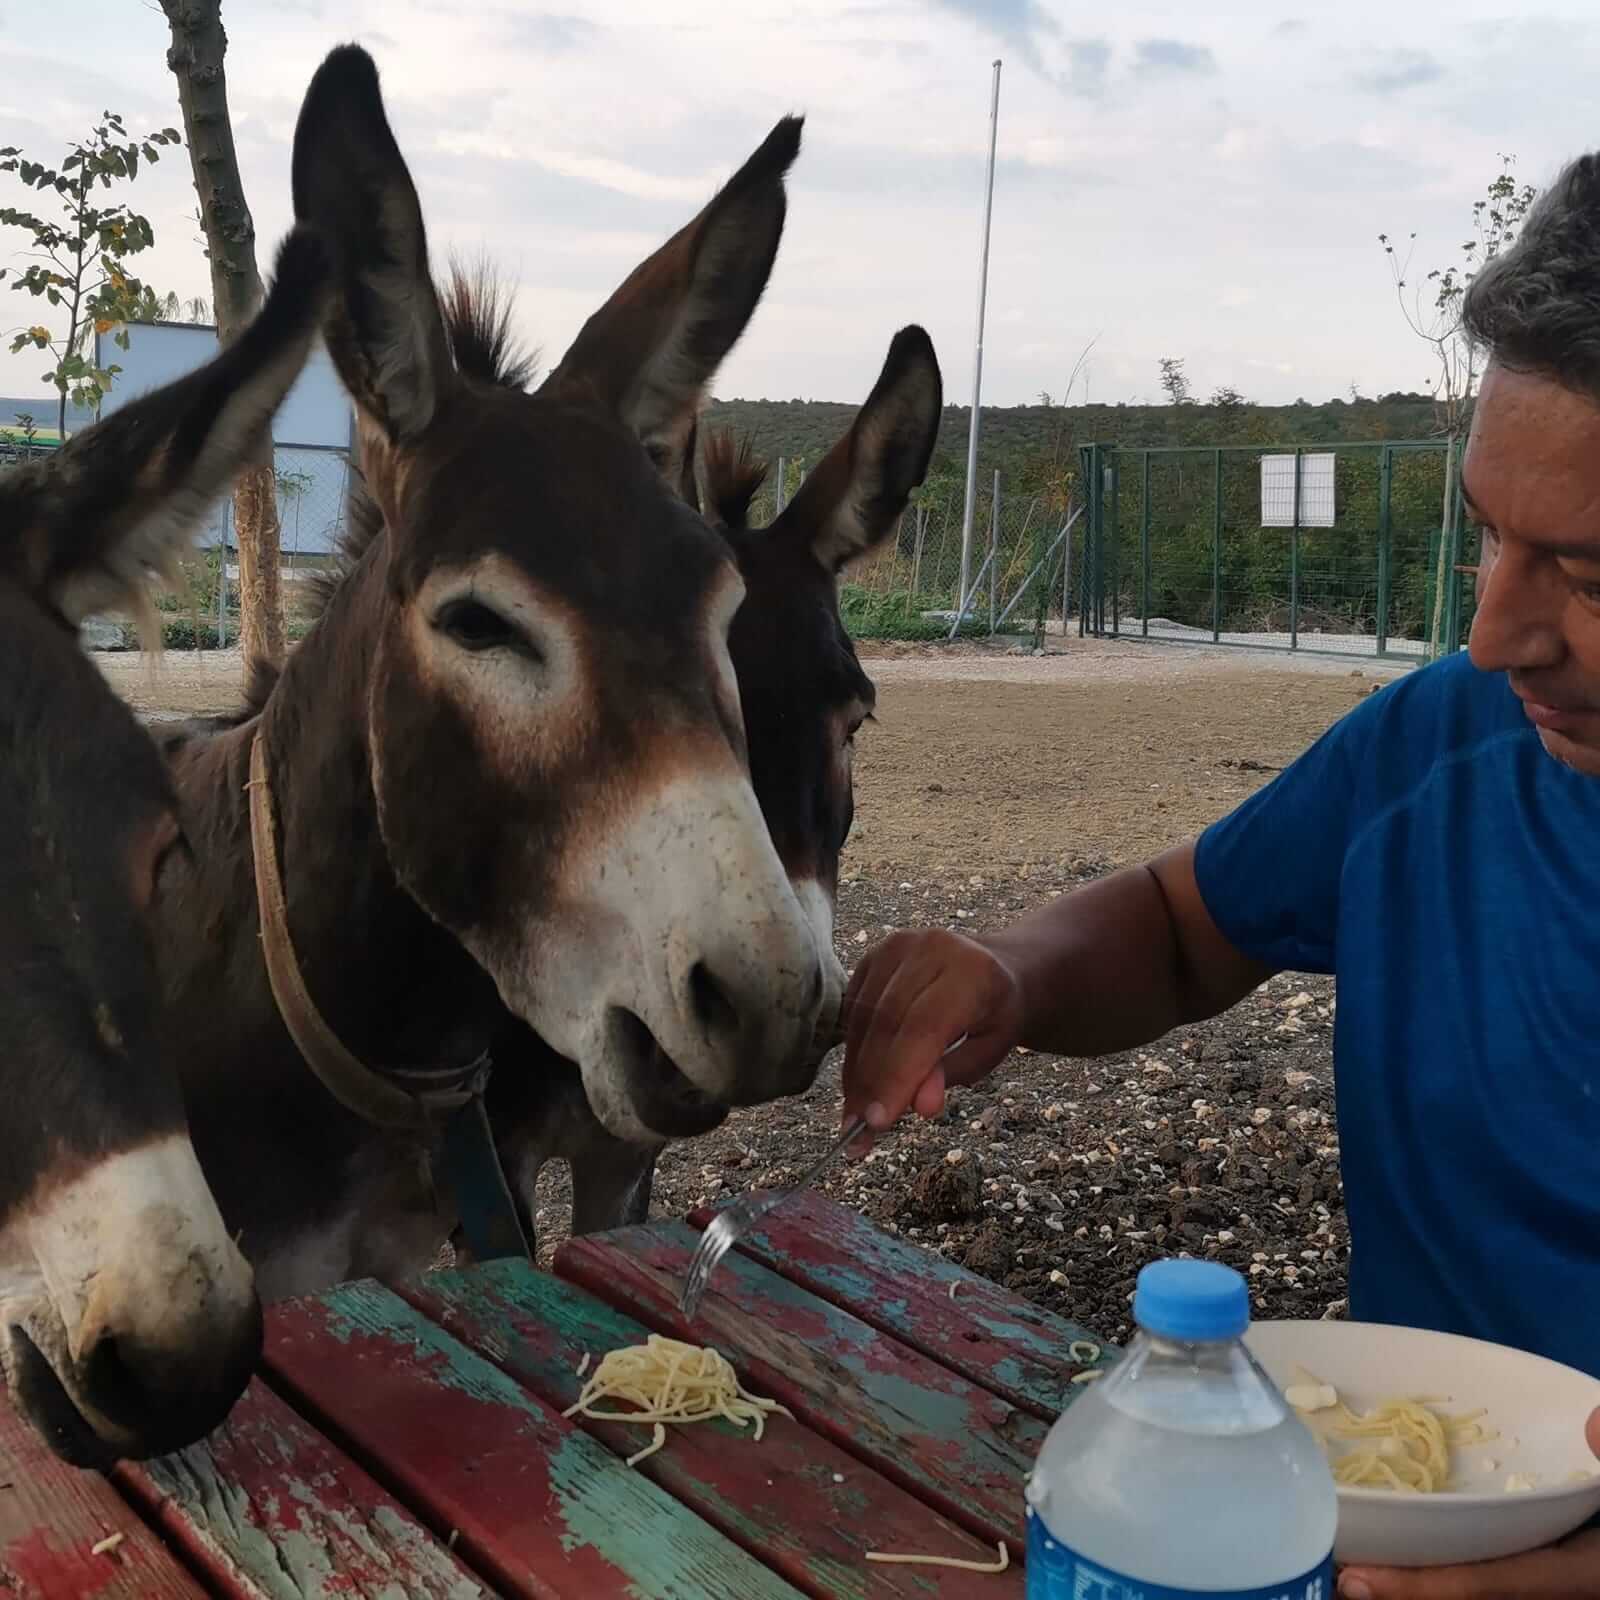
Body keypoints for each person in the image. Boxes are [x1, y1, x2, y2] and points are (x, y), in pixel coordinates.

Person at [842, 151, 1600, 1599]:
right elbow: (1185, 928)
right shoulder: (1445, 747)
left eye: (1594, 579)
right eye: (1488, 534)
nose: (1495, 633)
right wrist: (1013, 973)